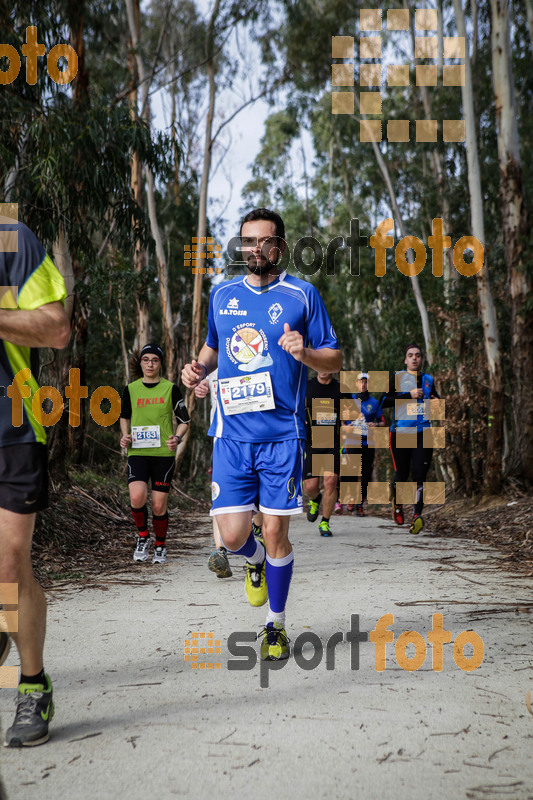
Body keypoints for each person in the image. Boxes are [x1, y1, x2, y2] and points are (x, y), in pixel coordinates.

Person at [182, 208, 341, 661]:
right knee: (233, 537)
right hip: (231, 434)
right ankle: (251, 561)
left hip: (281, 437)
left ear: (281, 247)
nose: (254, 249)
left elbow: (334, 359)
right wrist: (196, 371)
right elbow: (211, 350)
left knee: (275, 532)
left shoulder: (302, 295)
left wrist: (305, 352)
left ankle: (275, 624)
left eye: (263, 241)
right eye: (246, 241)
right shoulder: (222, 294)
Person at [0, 215, 70, 747]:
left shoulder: (11, 238)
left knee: (9, 562)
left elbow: (55, 327)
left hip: (10, 426)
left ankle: (32, 685)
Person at [120, 343, 190, 564]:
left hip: (163, 456)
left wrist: (177, 438)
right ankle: (143, 538)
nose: (150, 364)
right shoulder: (130, 389)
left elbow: (184, 420)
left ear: (160, 363)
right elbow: (124, 416)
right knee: (137, 497)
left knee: (159, 505)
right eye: (146, 359)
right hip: (138, 453)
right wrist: (125, 436)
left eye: (155, 360)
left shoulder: (171, 389)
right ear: (140, 363)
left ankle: (160, 545)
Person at [380, 344, 441, 534]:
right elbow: (383, 402)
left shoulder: (428, 380)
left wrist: (437, 402)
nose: (414, 358)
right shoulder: (397, 378)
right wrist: (409, 395)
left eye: (417, 355)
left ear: (421, 359)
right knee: (402, 475)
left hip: (423, 432)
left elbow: (435, 400)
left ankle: (417, 516)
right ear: (405, 360)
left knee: (420, 475)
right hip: (401, 433)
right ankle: (397, 503)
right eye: (410, 355)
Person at [340, 372, 385, 516]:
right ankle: (352, 499)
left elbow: (383, 421)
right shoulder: (348, 400)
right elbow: (341, 420)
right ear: (356, 384)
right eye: (361, 382)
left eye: (366, 382)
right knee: (352, 470)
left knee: (366, 474)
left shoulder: (374, 402)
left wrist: (375, 424)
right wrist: (347, 426)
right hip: (352, 441)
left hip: (368, 442)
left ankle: (360, 503)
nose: (363, 384)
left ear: (368, 384)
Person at [303, 371, 341, 537]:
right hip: (312, 443)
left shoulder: (341, 389)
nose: (323, 368)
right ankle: (315, 499)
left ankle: (325, 521)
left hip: (332, 443)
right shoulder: (307, 387)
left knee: (331, 482)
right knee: (310, 487)